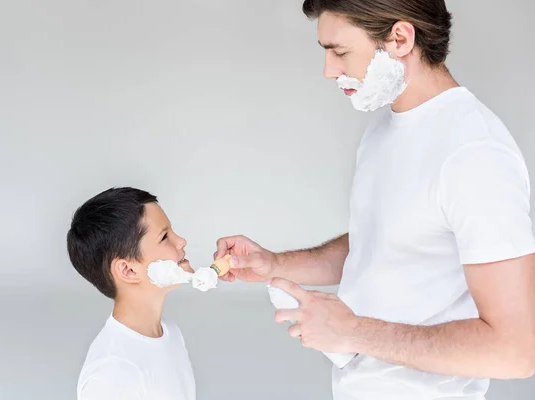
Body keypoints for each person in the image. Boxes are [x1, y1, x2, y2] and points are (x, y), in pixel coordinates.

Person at [215, 1, 535, 399]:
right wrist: (276, 264)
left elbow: (515, 350)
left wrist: (351, 331)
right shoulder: (385, 128)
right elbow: (385, 241)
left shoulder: (474, 153)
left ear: (400, 39)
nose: (329, 70)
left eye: (339, 51)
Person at [67, 187, 196, 400]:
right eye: (164, 237)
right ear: (128, 270)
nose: (181, 241)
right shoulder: (112, 374)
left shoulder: (171, 333)